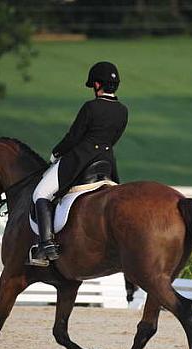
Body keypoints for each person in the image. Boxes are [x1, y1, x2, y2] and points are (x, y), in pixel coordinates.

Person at [29, 61, 128, 266]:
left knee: (41, 194)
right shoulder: (123, 110)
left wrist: (56, 153)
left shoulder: (91, 107)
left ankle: (46, 245)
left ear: (97, 85)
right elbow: (113, 139)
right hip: (107, 163)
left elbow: (74, 137)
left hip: (81, 160)